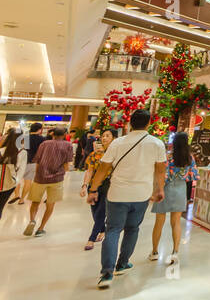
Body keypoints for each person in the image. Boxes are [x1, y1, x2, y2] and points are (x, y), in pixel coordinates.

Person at [85, 110, 166, 290]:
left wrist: (93, 189)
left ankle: (106, 272)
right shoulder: (157, 144)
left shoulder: (118, 143)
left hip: (117, 194)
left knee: (112, 230)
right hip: (141, 194)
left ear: (130, 123)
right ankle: (122, 264)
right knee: (132, 229)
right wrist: (160, 189)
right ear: (149, 123)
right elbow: (160, 170)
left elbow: (104, 168)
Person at [150, 134, 197, 266]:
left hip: (165, 190)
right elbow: (193, 175)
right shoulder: (190, 158)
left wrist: (156, 191)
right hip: (181, 190)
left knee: (159, 222)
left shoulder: (168, 157)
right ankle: (175, 252)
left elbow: (162, 176)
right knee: (176, 222)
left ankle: (154, 252)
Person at [25, 127, 73, 236]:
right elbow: (67, 164)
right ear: (65, 134)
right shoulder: (68, 145)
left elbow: (37, 160)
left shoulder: (44, 144)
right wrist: (64, 171)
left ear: (52, 134)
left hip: (40, 177)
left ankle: (32, 220)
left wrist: (38, 174)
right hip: (57, 178)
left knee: (35, 201)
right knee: (50, 204)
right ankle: (41, 228)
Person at [80, 130, 115, 251]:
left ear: (114, 138)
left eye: (107, 136)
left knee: (101, 212)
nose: (104, 138)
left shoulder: (115, 154)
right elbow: (89, 171)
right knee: (94, 212)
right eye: (103, 136)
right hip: (93, 186)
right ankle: (102, 230)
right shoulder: (95, 154)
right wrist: (84, 185)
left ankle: (91, 238)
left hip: (108, 186)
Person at [13, 123, 45, 204]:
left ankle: (16, 194)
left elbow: (17, 149)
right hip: (32, 162)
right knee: (28, 181)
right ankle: (22, 199)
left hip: (21, 161)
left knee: (16, 179)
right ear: (40, 129)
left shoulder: (24, 137)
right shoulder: (42, 139)